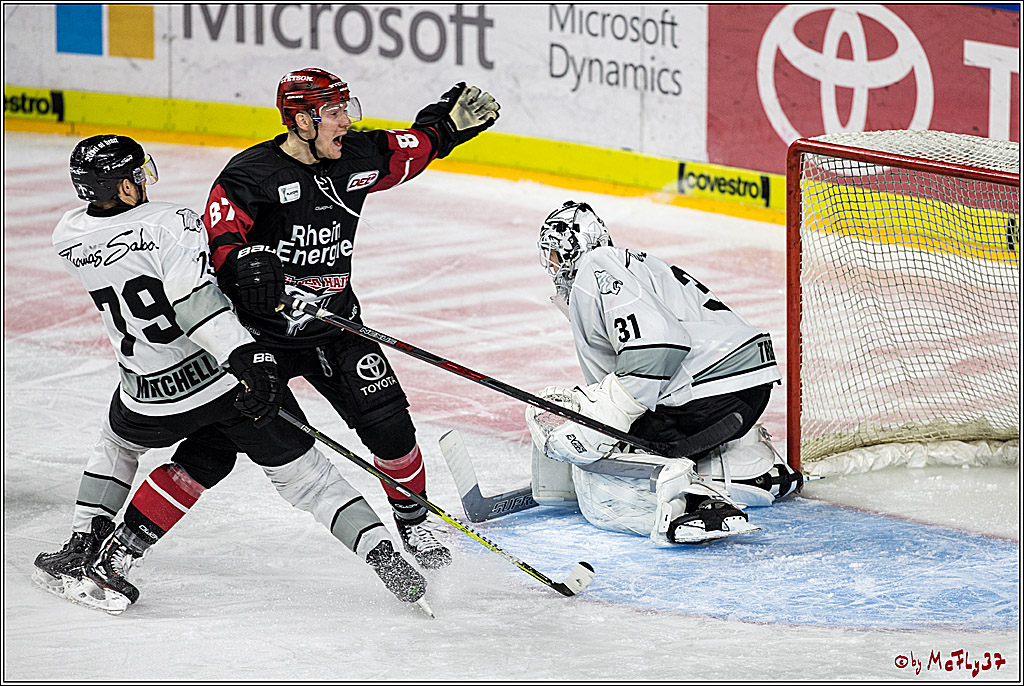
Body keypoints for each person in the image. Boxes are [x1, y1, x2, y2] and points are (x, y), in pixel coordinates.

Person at [35, 134, 429, 614]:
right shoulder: (172, 223)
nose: (145, 179)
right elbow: (197, 303)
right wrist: (252, 356)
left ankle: (87, 545)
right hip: (220, 379)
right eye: (137, 174)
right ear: (120, 187)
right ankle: (385, 559)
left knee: (123, 446)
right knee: (310, 479)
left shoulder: (67, 236)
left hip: (145, 393)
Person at [203, 68, 500, 568]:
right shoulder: (250, 175)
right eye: (336, 112)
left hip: (337, 328)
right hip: (263, 340)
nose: (347, 122)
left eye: (346, 109)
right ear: (301, 120)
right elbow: (220, 238)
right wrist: (239, 264)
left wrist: (445, 127)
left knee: (393, 431)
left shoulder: (354, 156)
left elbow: (414, 148)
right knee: (216, 444)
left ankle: (414, 524)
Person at [524, 201, 803, 546]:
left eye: (555, 252)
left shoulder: (596, 269)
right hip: (738, 386)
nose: (550, 263)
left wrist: (610, 415)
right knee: (624, 429)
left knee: (620, 446)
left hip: (711, 387)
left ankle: (687, 502)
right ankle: (750, 469)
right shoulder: (622, 267)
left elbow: (659, 344)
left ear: (574, 247)